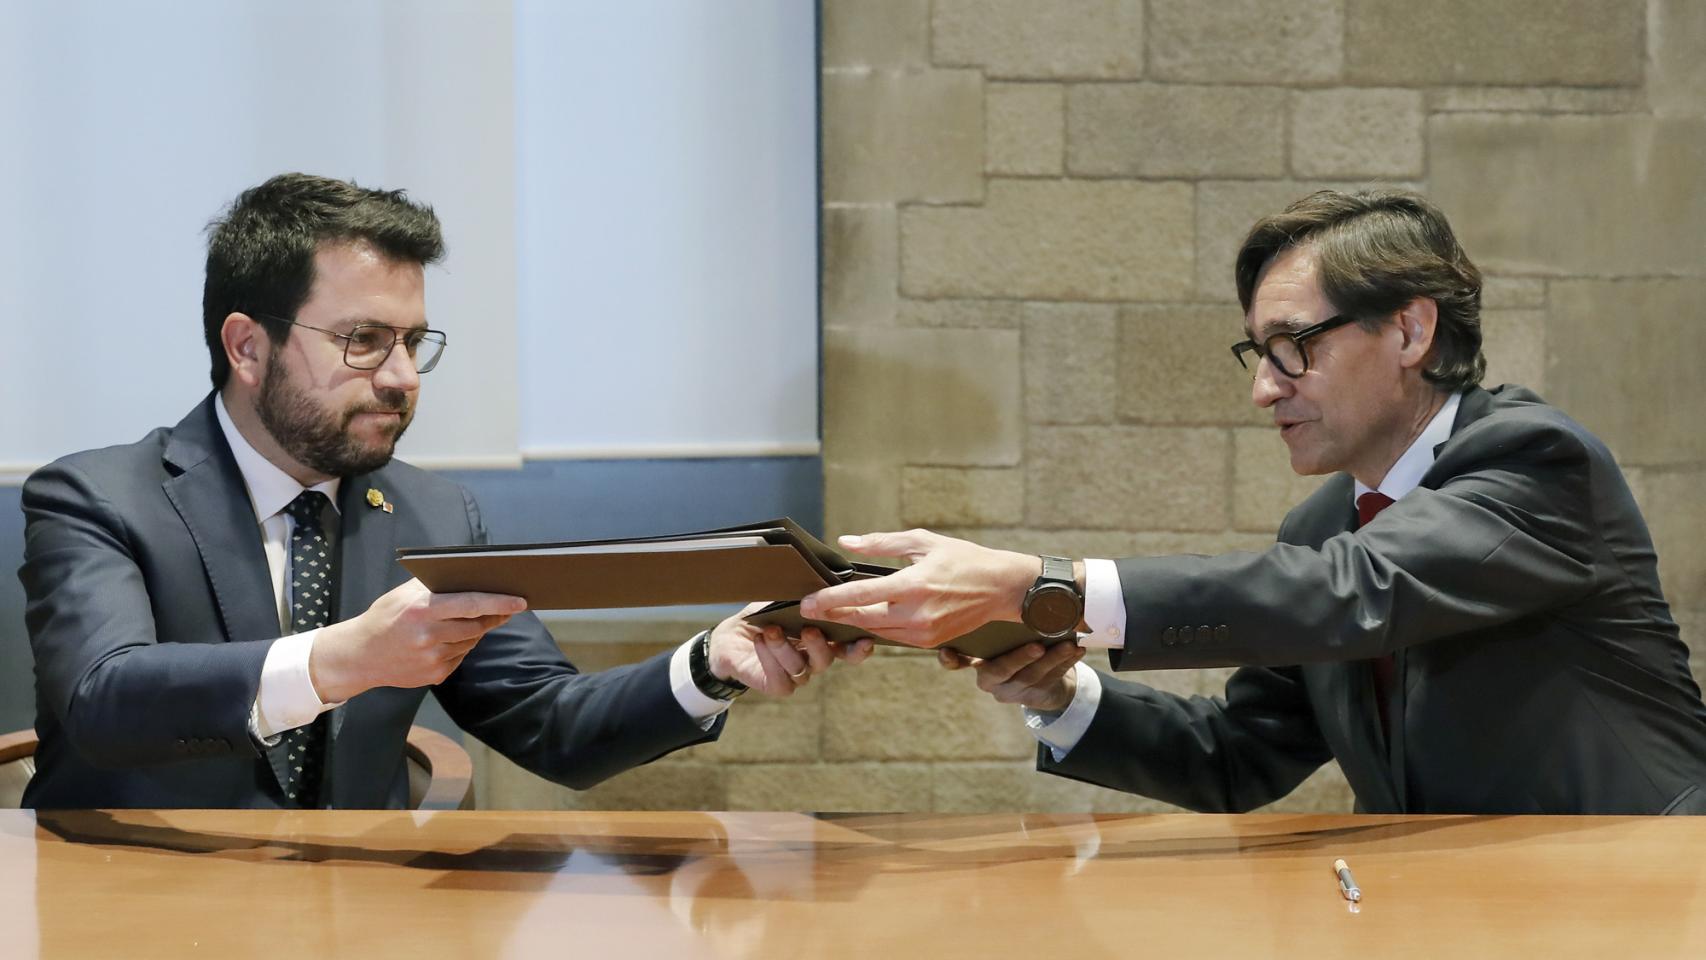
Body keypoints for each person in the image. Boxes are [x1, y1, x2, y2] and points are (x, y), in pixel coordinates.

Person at [802, 189, 1706, 815]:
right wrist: (1063, 691)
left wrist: (1047, 589)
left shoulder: (1535, 460)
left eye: (1293, 346)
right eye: (1257, 354)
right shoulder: (1323, 526)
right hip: (1457, 910)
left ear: (1408, 328)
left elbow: (1358, 592)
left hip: (1642, 889)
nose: (1264, 389)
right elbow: (1240, 754)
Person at [20, 172, 869, 809]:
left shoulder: (429, 513)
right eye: (362, 339)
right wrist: (341, 660)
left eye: (413, 342)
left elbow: (551, 724)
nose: (401, 377)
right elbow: (103, 698)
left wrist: (711, 663)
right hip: (132, 908)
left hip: (354, 919)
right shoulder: (98, 497)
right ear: (247, 347)